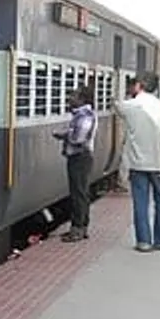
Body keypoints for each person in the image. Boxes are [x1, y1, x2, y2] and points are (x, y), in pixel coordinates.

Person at [115, 71, 160, 252]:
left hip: (138, 164)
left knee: (140, 203)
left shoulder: (128, 106)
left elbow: (117, 105)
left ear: (138, 86)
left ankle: (144, 241)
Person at [52, 86, 97, 242]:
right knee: (80, 192)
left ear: (82, 99)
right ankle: (80, 227)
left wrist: (63, 135)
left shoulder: (85, 116)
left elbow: (79, 138)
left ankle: (78, 228)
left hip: (80, 157)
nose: (70, 98)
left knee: (79, 193)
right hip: (79, 157)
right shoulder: (80, 115)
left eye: (74, 95)